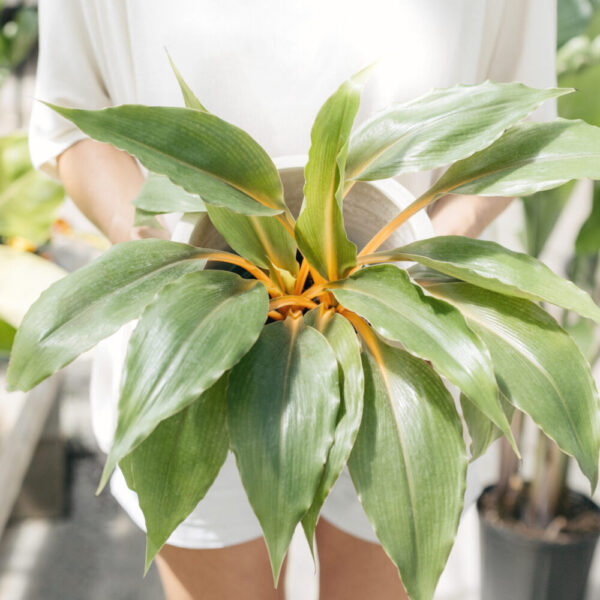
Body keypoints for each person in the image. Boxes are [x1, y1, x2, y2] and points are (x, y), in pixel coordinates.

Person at [29, 1, 557, 598]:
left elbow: (520, 128)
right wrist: (175, 262)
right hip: (195, 352)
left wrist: (414, 262)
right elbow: (74, 122)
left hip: (404, 349)